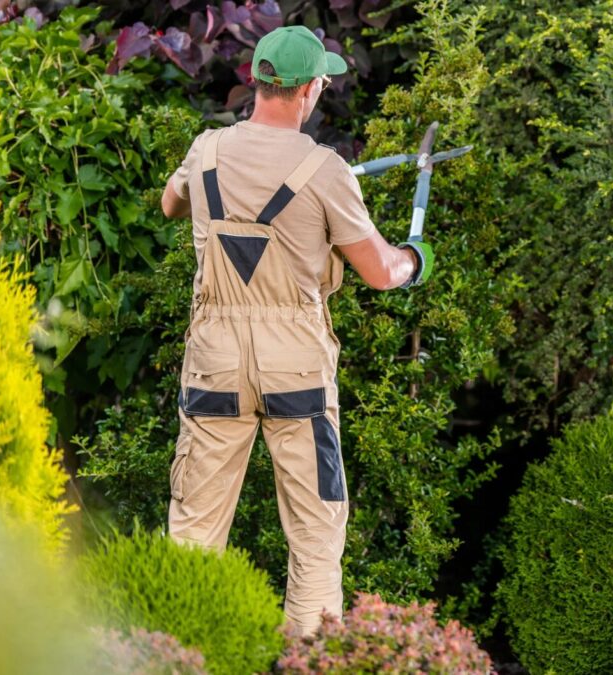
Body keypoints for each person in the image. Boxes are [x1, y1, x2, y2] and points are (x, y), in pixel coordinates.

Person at [158, 25, 431, 637]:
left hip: (214, 360)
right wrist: (417, 258)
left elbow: (171, 205)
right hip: (296, 368)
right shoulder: (327, 170)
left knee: (194, 530)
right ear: (309, 89)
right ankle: (309, 657)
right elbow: (382, 273)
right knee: (314, 531)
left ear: (257, 81)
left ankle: (175, 655)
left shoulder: (205, 151)